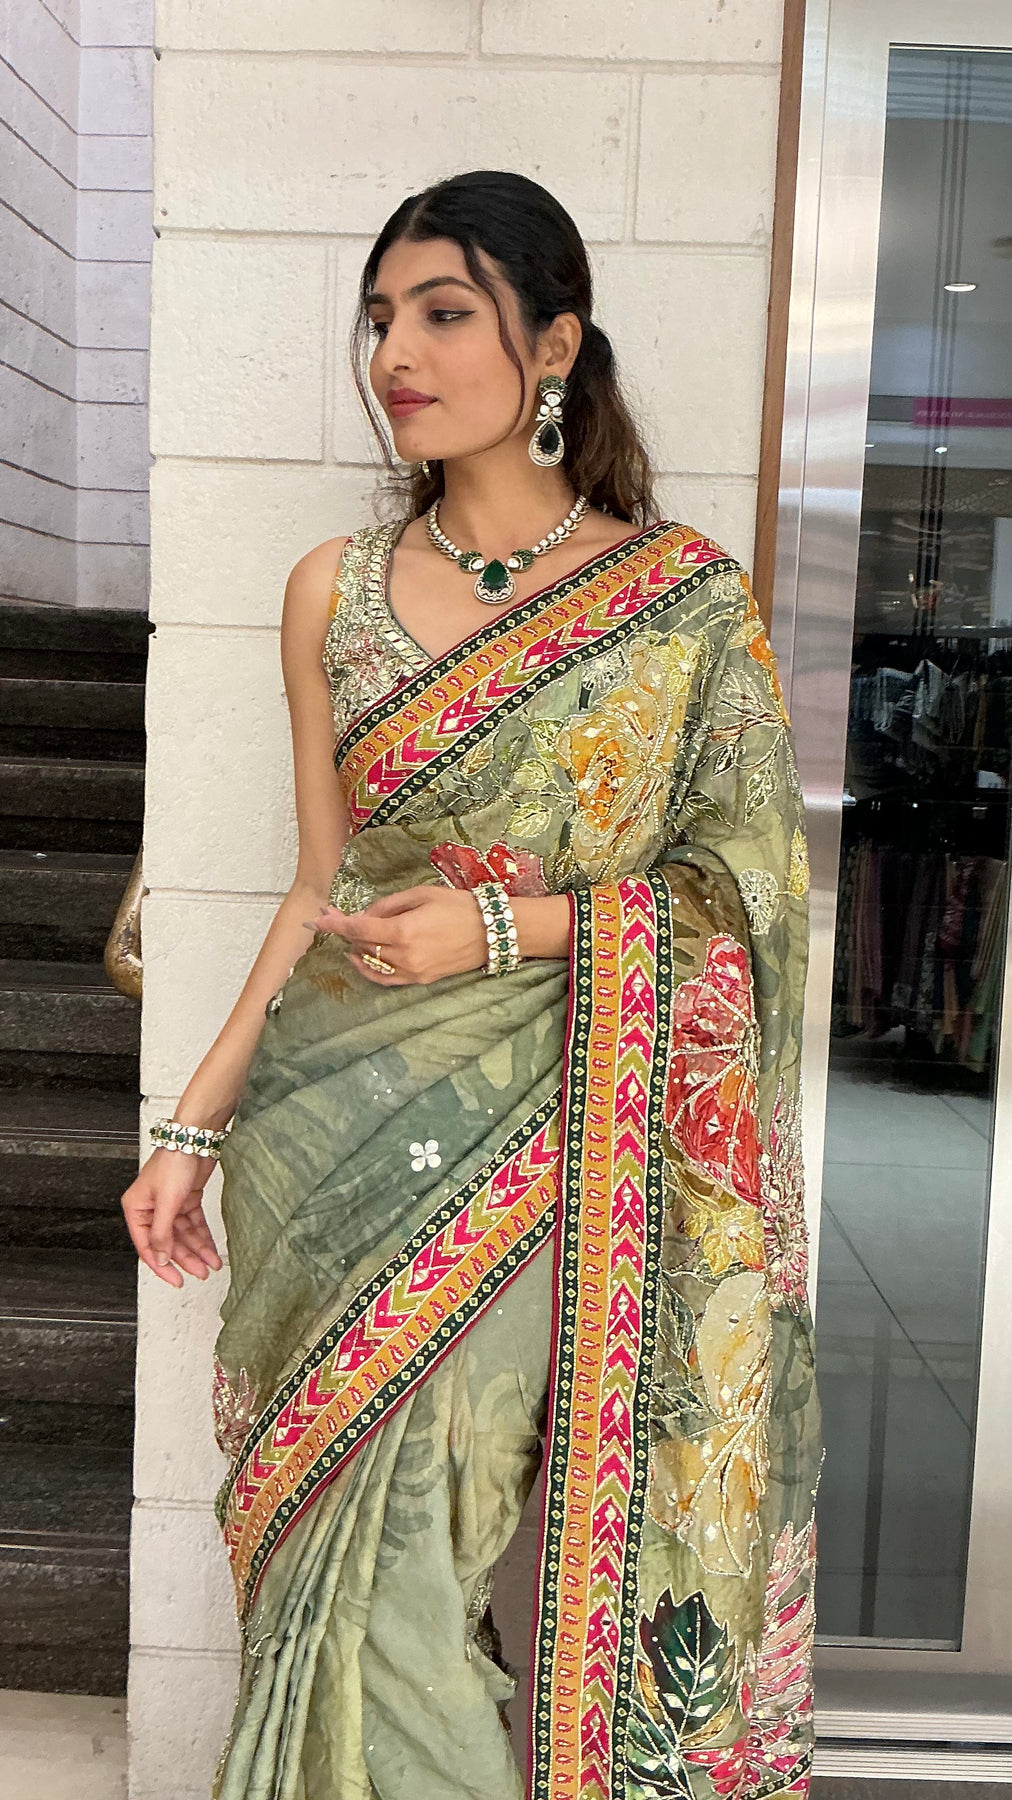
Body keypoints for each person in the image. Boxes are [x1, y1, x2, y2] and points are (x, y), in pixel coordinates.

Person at [121, 170, 822, 1800]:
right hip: (324, 1134)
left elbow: (749, 895)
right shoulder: (332, 588)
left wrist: (511, 932)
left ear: (554, 344)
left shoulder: (683, 604)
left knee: (421, 1542)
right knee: (320, 1561)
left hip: (549, 1130)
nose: (396, 354)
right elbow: (320, 886)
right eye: (381, 318)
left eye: (444, 313)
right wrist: (195, 1127)